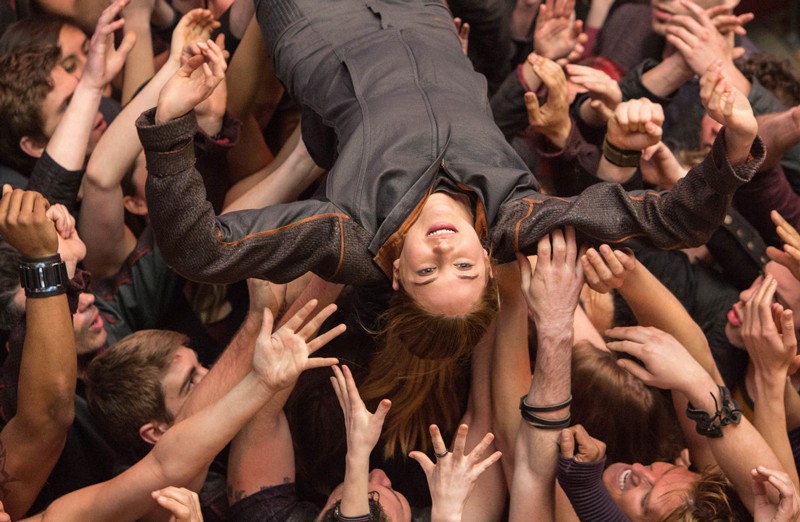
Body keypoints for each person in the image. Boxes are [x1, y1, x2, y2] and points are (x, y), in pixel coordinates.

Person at [137, 0, 762, 456]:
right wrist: (735, 149)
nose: (444, 247)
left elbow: (201, 252)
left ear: (398, 279)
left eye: (428, 271)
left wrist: (171, 127)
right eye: (462, 267)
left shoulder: (351, 238)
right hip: (421, 14)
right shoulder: (516, 218)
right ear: (488, 263)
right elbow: (672, 221)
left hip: (316, 23)